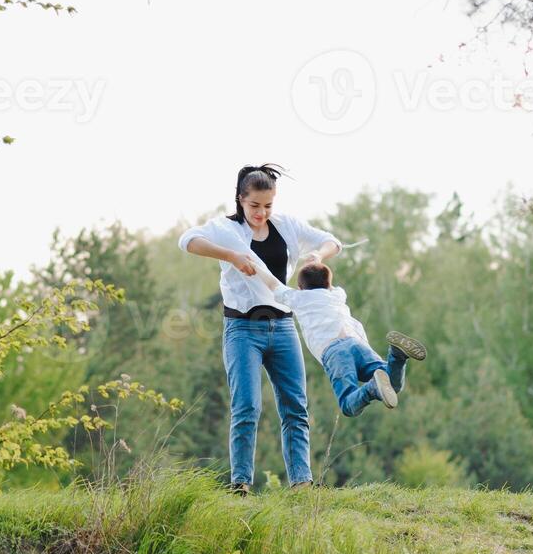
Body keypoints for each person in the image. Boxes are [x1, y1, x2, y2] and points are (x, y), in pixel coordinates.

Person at [177, 163, 345, 495]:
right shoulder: (225, 229)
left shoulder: (286, 226)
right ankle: (240, 484)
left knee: (295, 406)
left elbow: (332, 242)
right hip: (242, 329)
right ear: (241, 199)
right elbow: (187, 240)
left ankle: (301, 483)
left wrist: (317, 255)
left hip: (283, 327)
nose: (261, 212)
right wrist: (229, 256)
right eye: (254, 205)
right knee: (247, 407)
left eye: (268, 205)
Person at [245, 259, 427, 417]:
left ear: (300, 288)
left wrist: (255, 265)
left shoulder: (298, 298)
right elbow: (326, 281)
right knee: (392, 385)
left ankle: (371, 389)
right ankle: (397, 356)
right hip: (357, 343)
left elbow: (273, 284)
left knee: (348, 405)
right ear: (328, 284)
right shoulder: (337, 294)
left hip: (335, 351)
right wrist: (317, 259)